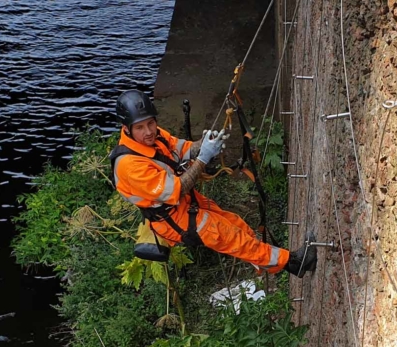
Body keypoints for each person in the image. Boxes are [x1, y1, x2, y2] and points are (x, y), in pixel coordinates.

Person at [110, 90, 317, 277]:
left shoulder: (154, 136)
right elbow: (178, 189)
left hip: (186, 205)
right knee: (232, 237)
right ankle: (293, 262)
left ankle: (270, 265)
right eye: (140, 127)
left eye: (151, 123)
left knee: (237, 225)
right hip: (173, 219)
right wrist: (203, 158)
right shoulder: (129, 165)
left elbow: (181, 149)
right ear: (126, 129)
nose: (148, 131)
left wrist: (206, 143)